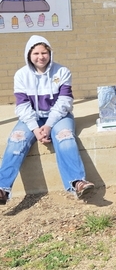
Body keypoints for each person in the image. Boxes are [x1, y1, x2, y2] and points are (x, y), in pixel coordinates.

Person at [0, 35, 95, 205]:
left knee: (65, 137)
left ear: (50, 53)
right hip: (32, 118)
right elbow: (22, 106)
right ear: (29, 54)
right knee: (16, 140)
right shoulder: (21, 75)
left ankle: (77, 182)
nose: (40, 56)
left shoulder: (62, 72)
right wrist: (35, 129)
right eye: (36, 53)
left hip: (59, 117)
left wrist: (49, 125)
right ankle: (3, 189)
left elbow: (64, 102)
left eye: (44, 52)